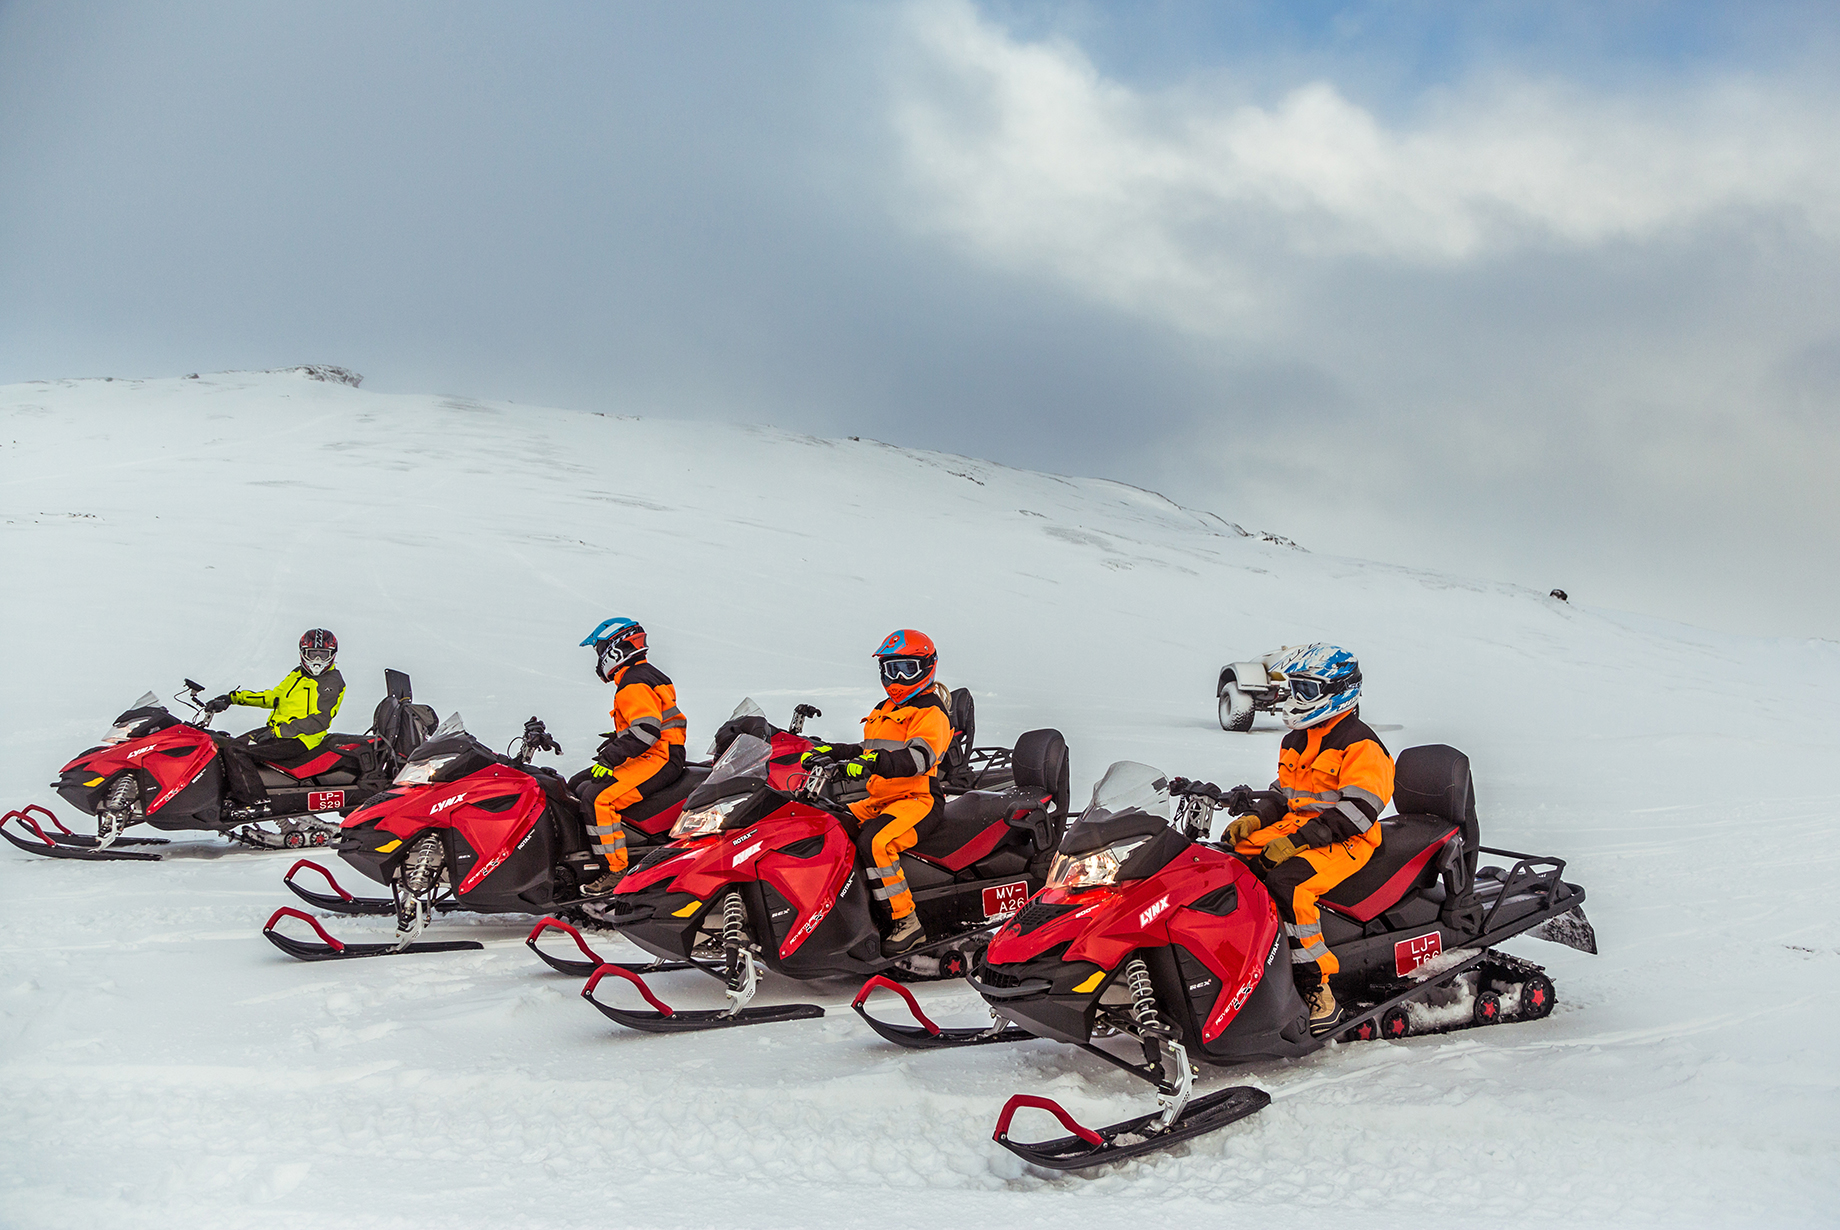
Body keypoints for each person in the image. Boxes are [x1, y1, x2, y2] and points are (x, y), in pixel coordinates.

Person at [1225, 643, 1394, 1037]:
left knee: (1289, 885)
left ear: (1338, 692)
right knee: (1229, 864)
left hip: (1346, 839)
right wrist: (1255, 818)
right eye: (1295, 688)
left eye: (1307, 690)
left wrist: (1299, 842)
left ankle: (1316, 986)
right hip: (1300, 831)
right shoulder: (1296, 740)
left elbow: (1359, 812)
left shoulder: (1361, 745)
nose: (1296, 700)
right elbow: (1285, 796)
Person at [800, 629, 953, 957]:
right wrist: (832, 751)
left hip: (917, 799)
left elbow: (916, 758)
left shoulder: (930, 712)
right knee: (829, 821)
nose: (897, 678)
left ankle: (906, 921)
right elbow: (867, 748)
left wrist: (870, 764)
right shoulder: (884, 709)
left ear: (927, 667)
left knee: (876, 842)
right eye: (890, 669)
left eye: (906, 669)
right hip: (881, 798)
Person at [571, 618, 687, 895]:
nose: (599, 659)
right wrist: (616, 743)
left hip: (659, 757)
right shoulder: (642, 674)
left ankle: (614, 871)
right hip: (654, 753)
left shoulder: (633, 682)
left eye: (600, 651)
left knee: (597, 798)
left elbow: (646, 730)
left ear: (615, 650)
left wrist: (611, 758)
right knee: (577, 783)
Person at [205, 629, 346, 802]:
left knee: (236, 751)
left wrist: (277, 732)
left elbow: (319, 721)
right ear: (303, 653)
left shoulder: (330, 682)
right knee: (225, 744)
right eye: (313, 654)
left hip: (300, 739)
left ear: (332, 655)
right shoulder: (298, 674)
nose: (317, 660)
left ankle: (255, 803)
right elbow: (274, 697)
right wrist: (233, 698)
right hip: (280, 731)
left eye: (323, 655)